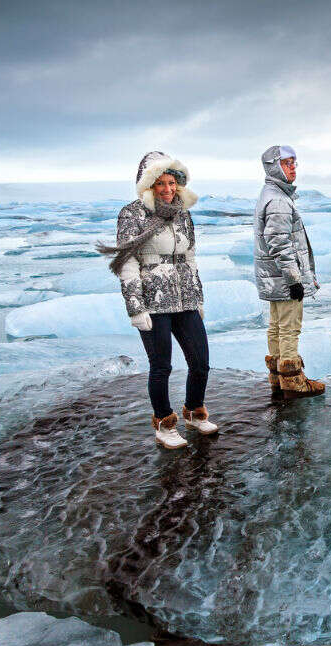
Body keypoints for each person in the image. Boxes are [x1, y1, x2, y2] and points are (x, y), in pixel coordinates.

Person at [98, 151, 218, 448]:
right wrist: (135, 307)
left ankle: (193, 411)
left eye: (172, 182)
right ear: (147, 185)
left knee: (200, 362)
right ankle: (164, 423)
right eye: (160, 184)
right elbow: (127, 262)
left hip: (185, 298)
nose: (167, 189)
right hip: (153, 301)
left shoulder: (183, 213)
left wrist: (197, 297)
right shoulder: (132, 214)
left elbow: (190, 258)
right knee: (161, 366)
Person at [254, 145, 325, 398]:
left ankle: (277, 377)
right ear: (275, 167)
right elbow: (279, 242)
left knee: (276, 326)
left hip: (274, 278)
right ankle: (293, 380)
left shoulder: (270, 194)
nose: (293, 167)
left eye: (294, 162)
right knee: (289, 327)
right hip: (284, 277)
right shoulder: (279, 201)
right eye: (287, 163)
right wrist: (294, 279)